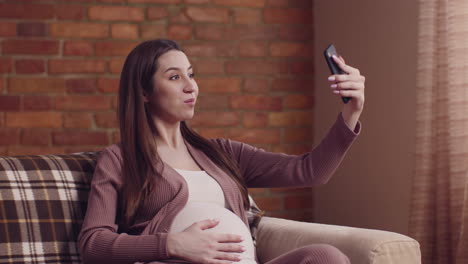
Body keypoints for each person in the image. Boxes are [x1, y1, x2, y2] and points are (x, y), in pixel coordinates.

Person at [78, 39, 365, 264]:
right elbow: (93, 244)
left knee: (325, 257)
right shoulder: (119, 160)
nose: (191, 87)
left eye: (191, 75)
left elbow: (311, 170)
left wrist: (352, 111)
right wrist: (173, 244)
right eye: (175, 78)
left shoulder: (222, 152)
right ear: (144, 92)